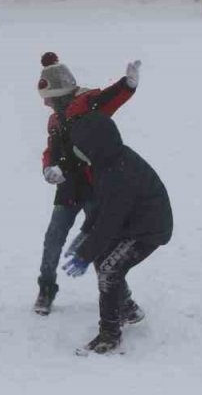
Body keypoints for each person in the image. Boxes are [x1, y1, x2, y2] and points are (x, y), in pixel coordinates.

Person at [60, 89, 173, 356]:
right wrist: (86, 233)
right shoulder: (106, 161)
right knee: (104, 261)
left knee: (109, 271)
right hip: (131, 222)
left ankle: (109, 335)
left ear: (94, 146)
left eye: (81, 149)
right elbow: (102, 207)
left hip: (148, 228)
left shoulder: (117, 173)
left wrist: (86, 252)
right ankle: (127, 308)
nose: (78, 154)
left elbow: (111, 220)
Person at [33, 52, 140, 316]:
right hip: (68, 189)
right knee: (53, 239)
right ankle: (46, 288)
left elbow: (111, 97)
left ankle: (123, 300)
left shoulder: (88, 103)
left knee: (100, 243)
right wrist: (49, 168)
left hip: (96, 187)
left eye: (48, 98)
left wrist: (127, 84)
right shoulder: (55, 120)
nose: (45, 104)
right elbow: (51, 150)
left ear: (61, 93)